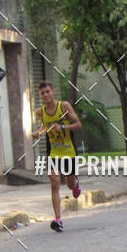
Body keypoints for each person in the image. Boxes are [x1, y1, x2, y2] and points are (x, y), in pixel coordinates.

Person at [33, 81, 82, 232]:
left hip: (69, 151)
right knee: (54, 182)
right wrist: (38, 133)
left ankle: (75, 184)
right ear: (40, 96)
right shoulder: (40, 112)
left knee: (69, 184)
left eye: (47, 91)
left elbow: (78, 124)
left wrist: (63, 127)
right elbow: (46, 126)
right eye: (42, 93)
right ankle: (58, 220)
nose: (45, 95)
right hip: (54, 153)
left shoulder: (64, 106)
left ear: (53, 92)